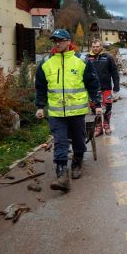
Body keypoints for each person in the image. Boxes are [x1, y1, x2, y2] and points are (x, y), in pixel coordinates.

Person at [35, 29, 102, 191]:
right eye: (54, 41)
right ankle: (62, 174)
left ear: (68, 41)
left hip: (77, 112)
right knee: (60, 141)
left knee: (79, 140)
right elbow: (40, 87)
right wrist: (40, 106)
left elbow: (93, 83)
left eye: (60, 40)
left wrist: (97, 104)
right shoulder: (46, 63)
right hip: (56, 113)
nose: (57, 43)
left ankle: (77, 162)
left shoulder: (81, 61)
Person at [87, 40, 120, 136]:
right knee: (94, 109)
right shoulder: (87, 58)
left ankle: (106, 126)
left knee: (108, 108)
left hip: (106, 88)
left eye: (97, 46)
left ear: (101, 47)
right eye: (93, 47)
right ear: (91, 47)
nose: (95, 48)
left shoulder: (108, 58)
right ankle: (98, 128)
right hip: (93, 89)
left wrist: (116, 86)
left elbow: (114, 72)